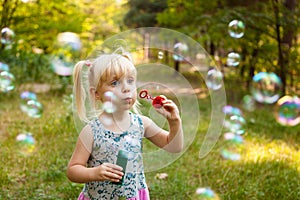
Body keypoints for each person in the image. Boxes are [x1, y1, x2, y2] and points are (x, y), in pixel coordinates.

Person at [67, 49, 184, 200]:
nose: (126, 88)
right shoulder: (91, 131)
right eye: (115, 83)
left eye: (130, 81)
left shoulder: (142, 123)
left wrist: (174, 122)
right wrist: (94, 173)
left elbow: (174, 146)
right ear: (96, 93)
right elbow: (73, 170)